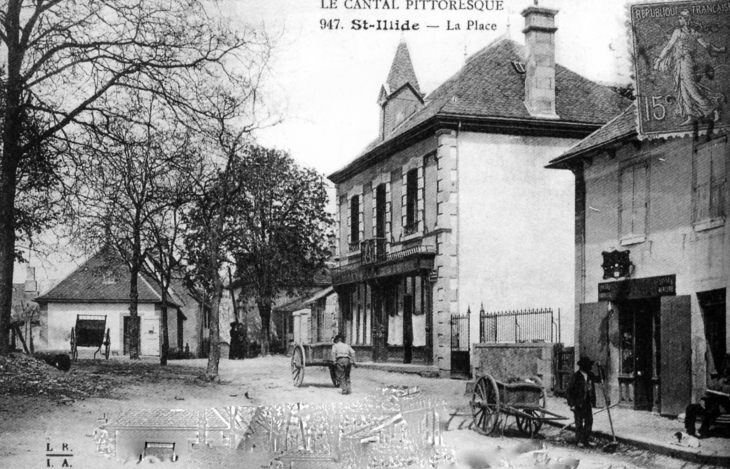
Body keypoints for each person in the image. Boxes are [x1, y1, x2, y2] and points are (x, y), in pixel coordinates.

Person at [653, 9, 726, 125]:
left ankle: (713, 107)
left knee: (691, 88)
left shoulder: (692, 32)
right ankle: (690, 115)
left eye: (681, 18)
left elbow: (706, 45)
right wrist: (659, 60)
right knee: (683, 89)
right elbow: (668, 47)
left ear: (686, 19)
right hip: (679, 63)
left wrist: (719, 50)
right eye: (679, 18)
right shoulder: (679, 31)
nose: (679, 20)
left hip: (687, 62)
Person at [684, 354, 730, 438]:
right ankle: (690, 432)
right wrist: (703, 399)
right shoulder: (722, 380)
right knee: (690, 408)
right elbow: (710, 390)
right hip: (711, 404)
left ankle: (703, 431)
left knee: (710, 412)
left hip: (723, 406)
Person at [566, 355, 602, 447]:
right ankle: (579, 440)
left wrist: (600, 367)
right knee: (579, 423)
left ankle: (586, 440)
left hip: (587, 402)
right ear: (582, 366)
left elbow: (599, 379)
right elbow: (569, 391)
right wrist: (571, 404)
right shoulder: (576, 376)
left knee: (589, 421)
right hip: (578, 403)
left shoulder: (590, 375)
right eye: (587, 365)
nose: (589, 367)